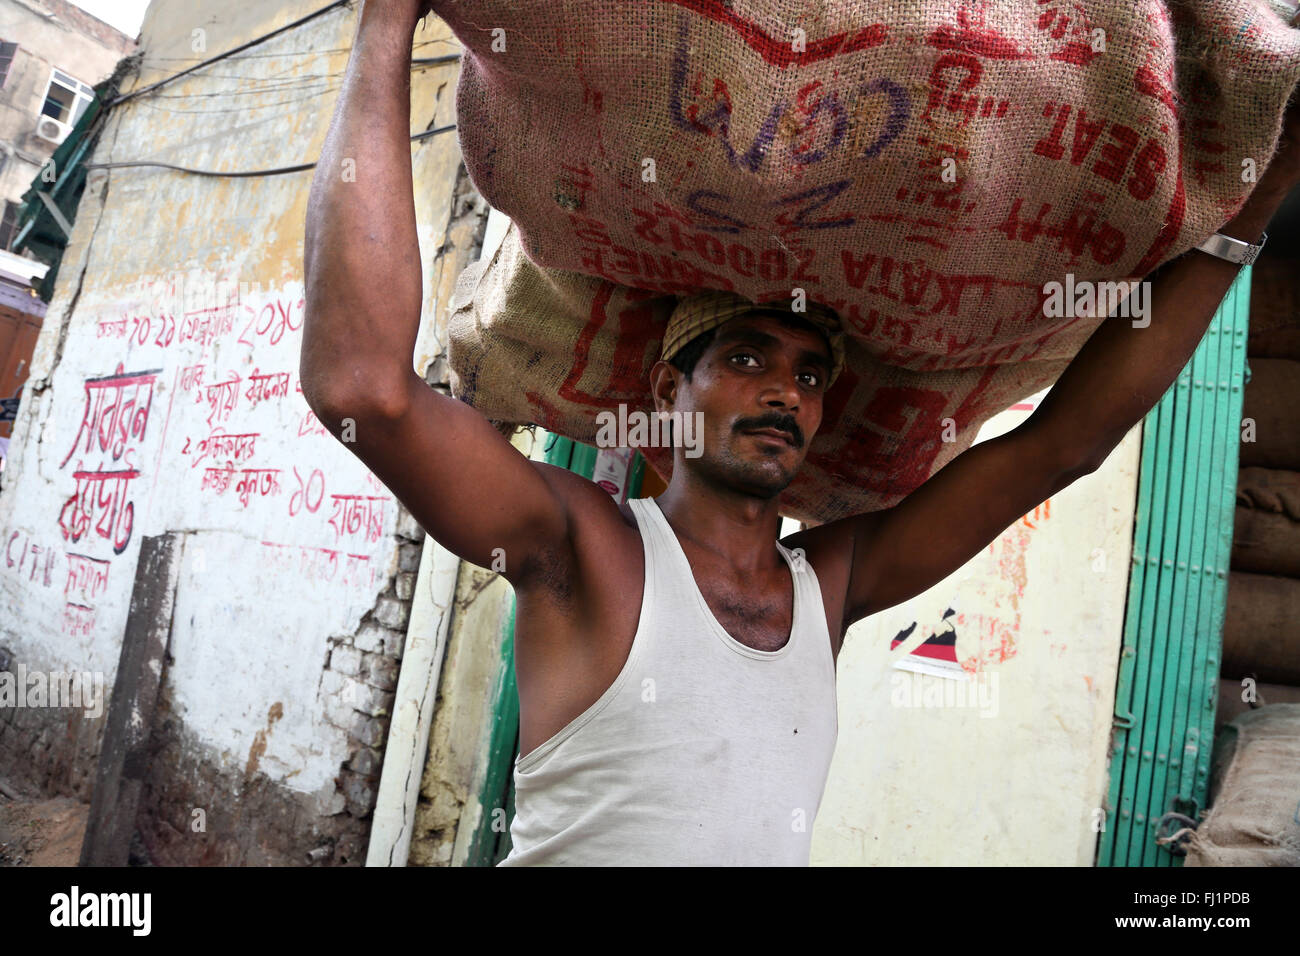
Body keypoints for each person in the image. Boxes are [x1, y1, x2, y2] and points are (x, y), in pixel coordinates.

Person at [301, 0, 1300, 864]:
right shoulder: (581, 548)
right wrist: (384, 24)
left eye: (809, 373)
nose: (785, 389)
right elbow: (360, 386)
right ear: (666, 388)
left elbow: (1062, 444)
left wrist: (1255, 196)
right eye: (743, 359)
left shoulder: (832, 581)